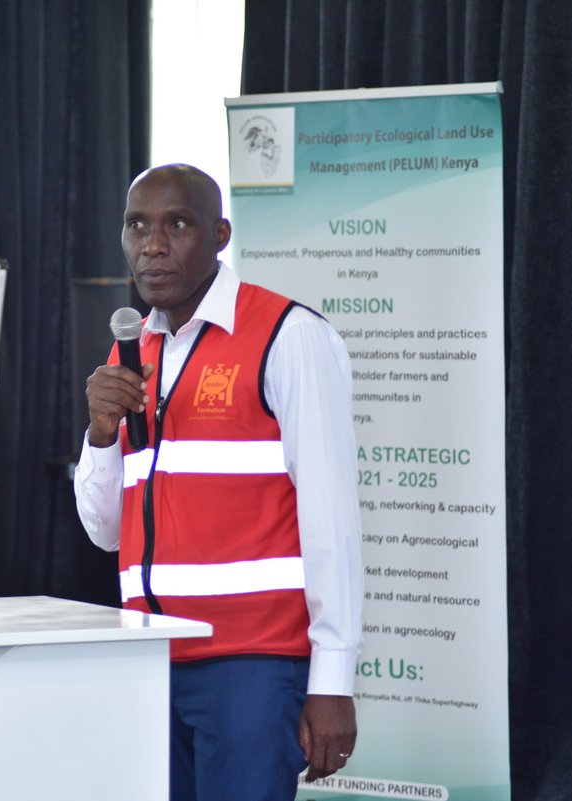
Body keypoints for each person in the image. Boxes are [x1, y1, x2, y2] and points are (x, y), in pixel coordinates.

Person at [74, 164, 364, 801]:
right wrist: (99, 434)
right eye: (137, 225)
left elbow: (332, 519)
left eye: (177, 225)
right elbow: (104, 532)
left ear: (220, 234)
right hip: (149, 657)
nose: (153, 245)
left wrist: (332, 681)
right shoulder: (133, 353)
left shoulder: (288, 336)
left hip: (251, 663)